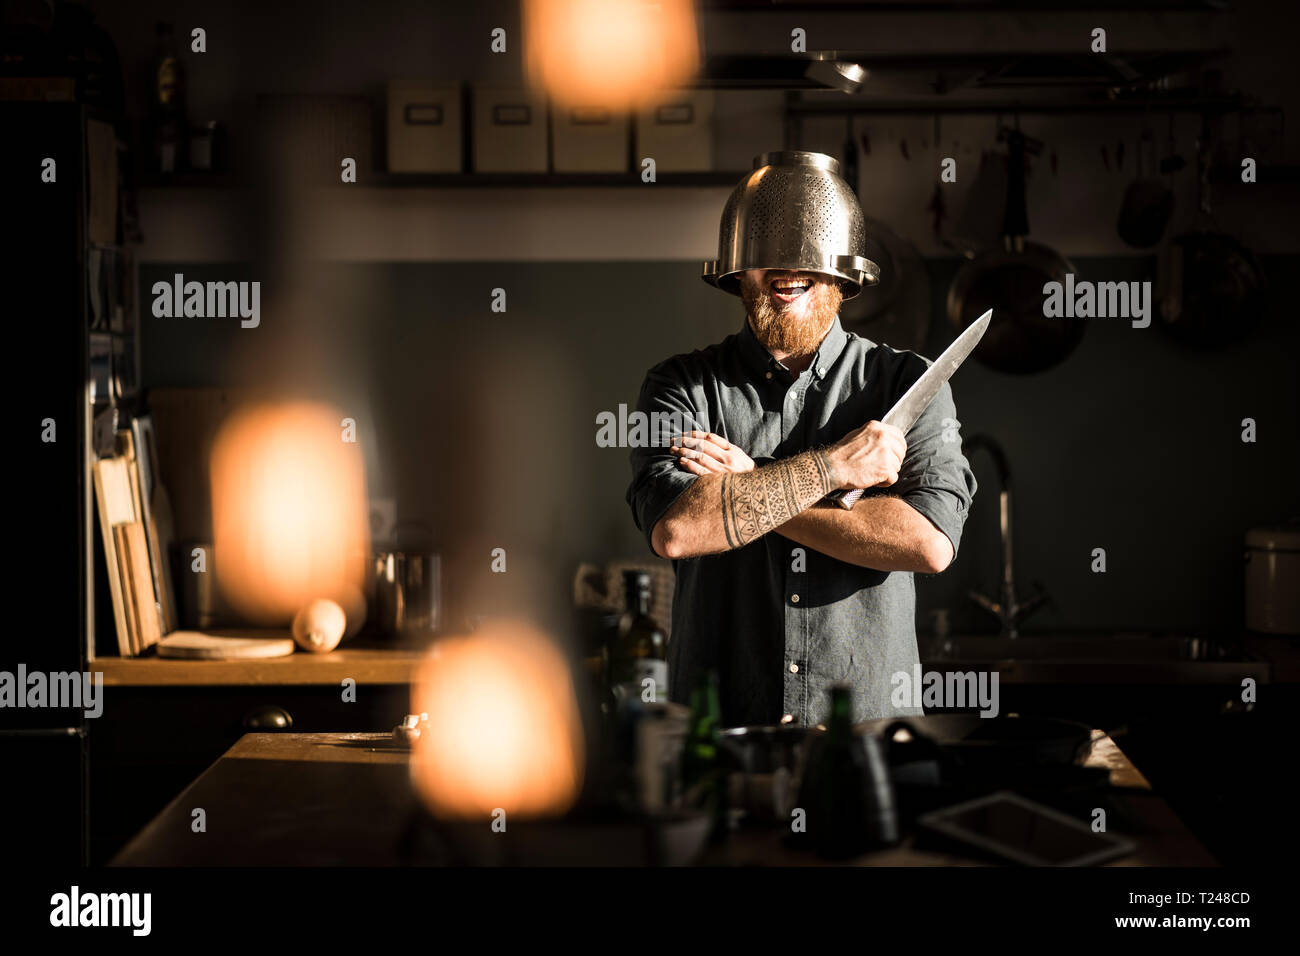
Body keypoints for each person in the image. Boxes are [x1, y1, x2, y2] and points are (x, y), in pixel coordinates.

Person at [626, 151, 977, 726]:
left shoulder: (908, 385)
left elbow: (927, 543)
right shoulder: (681, 387)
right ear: (738, 272)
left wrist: (746, 488)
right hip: (722, 728)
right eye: (766, 259)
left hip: (871, 729)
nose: (785, 271)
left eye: (805, 257)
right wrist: (832, 471)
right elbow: (680, 528)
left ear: (844, 273)